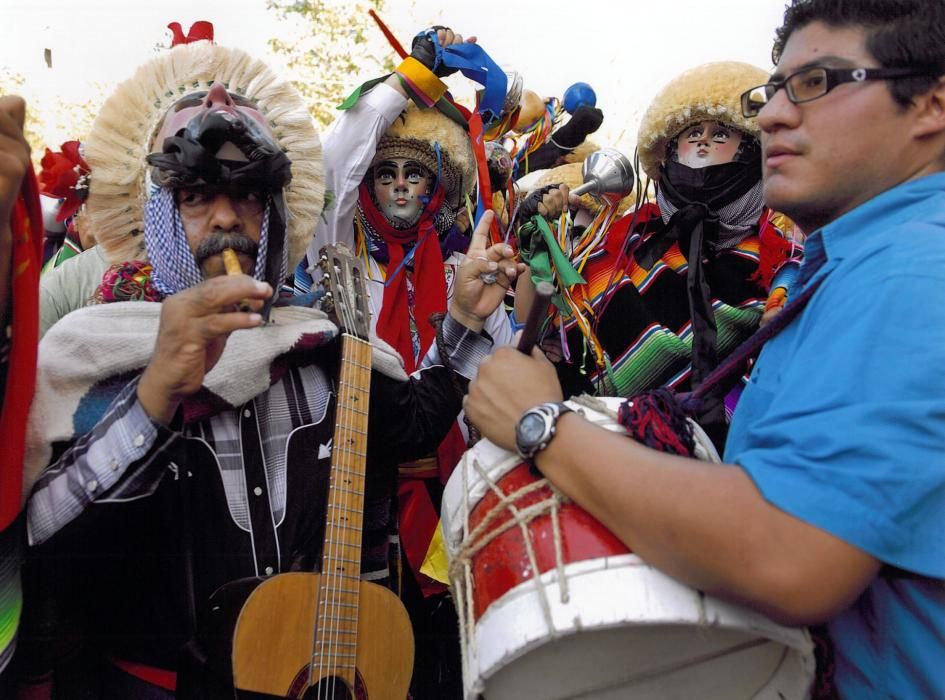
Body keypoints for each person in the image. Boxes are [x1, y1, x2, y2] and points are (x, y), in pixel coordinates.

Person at [466, 0, 945, 696]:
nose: (773, 114)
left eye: (814, 82)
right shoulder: (858, 260)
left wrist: (540, 426)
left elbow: (789, 555)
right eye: (772, 91)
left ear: (930, 104)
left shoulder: (905, 267)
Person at [18, 35, 519, 698]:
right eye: (195, 197)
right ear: (162, 214)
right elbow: (42, 543)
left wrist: (462, 319)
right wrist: (152, 398)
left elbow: (412, 427)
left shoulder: (317, 341)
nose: (226, 217)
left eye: (249, 195)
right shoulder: (92, 349)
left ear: (277, 211)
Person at [514, 62, 802, 447]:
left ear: (753, 148)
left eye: (720, 134)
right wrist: (540, 241)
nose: (702, 142)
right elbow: (534, 319)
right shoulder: (627, 238)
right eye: (692, 132)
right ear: (669, 149)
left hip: (723, 464)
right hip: (587, 438)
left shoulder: (779, 261)